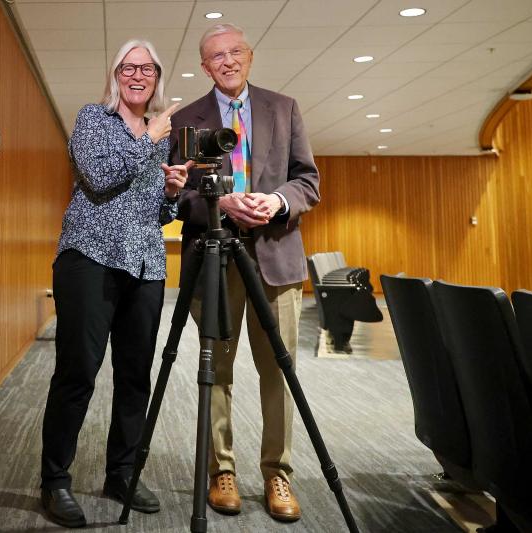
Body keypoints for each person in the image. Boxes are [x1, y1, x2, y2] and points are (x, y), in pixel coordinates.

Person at [169, 23, 320, 522]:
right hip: (213, 260)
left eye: (235, 51)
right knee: (219, 373)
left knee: (278, 372)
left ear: (249, 56)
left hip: (276, 259)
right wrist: (221, 204)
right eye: (217, 55)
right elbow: (180, 197)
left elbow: (307, 182)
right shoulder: (187, 119)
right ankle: (222, 471)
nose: (228, 61)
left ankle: (278, 473)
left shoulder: (285, 107)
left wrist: (276, 201)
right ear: (204, 65)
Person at [40, 39, 190, 528]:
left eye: (147, 68)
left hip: (145, 264)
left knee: (134, 377)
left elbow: (157, 211)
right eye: (129, 66)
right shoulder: (92, 120)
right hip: (90, 259)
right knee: (78, 372)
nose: (138, 74)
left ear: (157, 76)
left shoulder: (162, 136)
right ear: (116, 74)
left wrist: (170, 193)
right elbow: (100, 177)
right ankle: (55, 481)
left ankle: (121, 473)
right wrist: (148, 140)